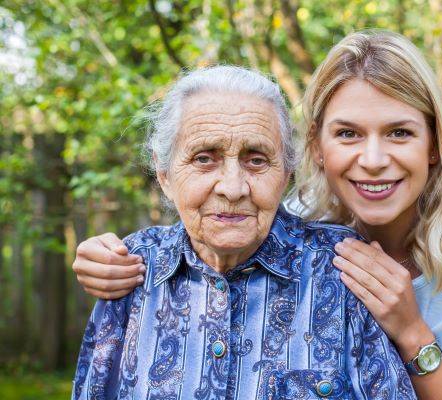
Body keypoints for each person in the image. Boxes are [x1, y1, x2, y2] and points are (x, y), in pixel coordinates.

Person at [73, 31, 442, 399]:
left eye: (399, 132)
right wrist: (107, 255)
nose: (373, 159)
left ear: (433, 144)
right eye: (348, 133)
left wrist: (413, 333)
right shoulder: (264, 221)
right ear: (315, 145)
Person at [71, 65, 417, 400]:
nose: (233, 188)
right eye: (205, 158)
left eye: (256, 160)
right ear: (164, 175)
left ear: (285, 175)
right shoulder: (132, 268)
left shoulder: (342, 267)